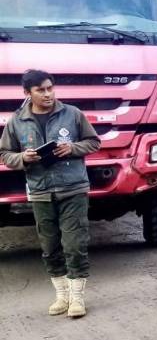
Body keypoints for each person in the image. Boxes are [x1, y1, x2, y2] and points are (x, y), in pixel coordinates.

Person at [0, 69, 100, 318]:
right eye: (40, 90)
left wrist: (73, 148)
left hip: (73, 188)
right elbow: (5, 154)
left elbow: (94, 142)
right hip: (40, 191)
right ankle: (61, 295)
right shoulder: (17, 121)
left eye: (50, 88)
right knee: (50, 246)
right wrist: (23, 157)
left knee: (75, 244)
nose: (47, 94)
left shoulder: (73, 114)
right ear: (27, 93)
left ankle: (77, 298)